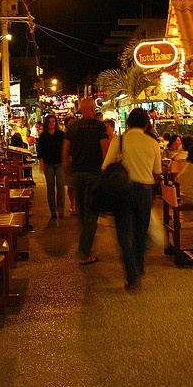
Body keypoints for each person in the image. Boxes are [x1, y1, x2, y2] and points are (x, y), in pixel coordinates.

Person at [102, 108, 162, 290]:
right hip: (144, 190)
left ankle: (132, 272)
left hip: (123, 191)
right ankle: (139, 268)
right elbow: (157, 172)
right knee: (140, 232)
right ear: (146, 124)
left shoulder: (118, 141)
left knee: (123, 233)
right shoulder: (152, 143)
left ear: (127, 124)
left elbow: (106, 167)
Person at [62, 97, 109, 265]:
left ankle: (86, 247)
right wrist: (105, 171)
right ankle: (84, 253)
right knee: (91, 214)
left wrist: (69, 173)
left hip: (78, 174)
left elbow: (65, 152)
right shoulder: (99, 126)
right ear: (92, 108)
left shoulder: (73, 127)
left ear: (81, 110)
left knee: (83, 212)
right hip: (94, 174)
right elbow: (105, 149)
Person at [37, 114, 66, 219]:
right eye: (49, 122)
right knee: (50, 187)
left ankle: (61, 208)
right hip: (48, 164)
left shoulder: (61, 134)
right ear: (46, 123)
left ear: (56, 123)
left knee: (60, 185)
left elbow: (65, 148)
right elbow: (40, 150)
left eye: (53, 121)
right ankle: (53, 210)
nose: (51, 124)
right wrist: (41, 163)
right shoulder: (43, 136)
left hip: (60, 163)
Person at [64, 115, 78, 215]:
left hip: (78, 160)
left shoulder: (80, 133)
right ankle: (72, 204)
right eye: (70, 124)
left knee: (76, 185)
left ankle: (76, 206)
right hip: (69, 161)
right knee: (70, 184)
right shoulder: (65, 134)